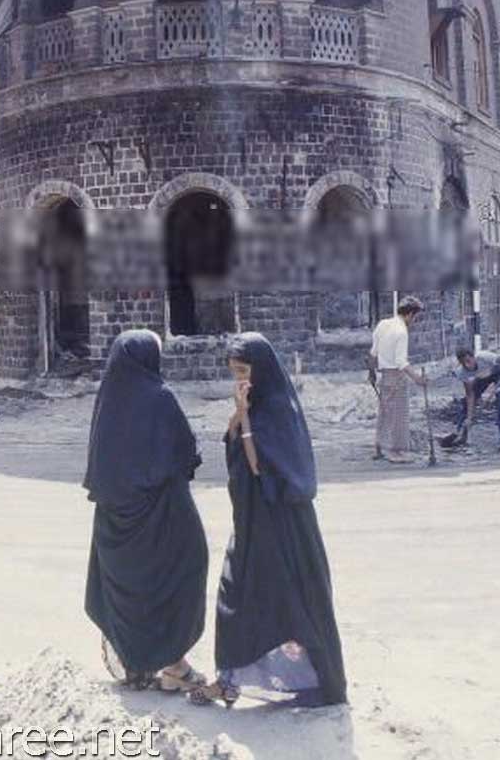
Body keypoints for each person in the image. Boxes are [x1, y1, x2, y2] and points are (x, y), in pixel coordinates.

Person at [190, 332, 347, 709]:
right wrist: (239, 413)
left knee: (287, 602)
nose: (239, 379)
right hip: (252, 522)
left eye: (244, 371)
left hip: (282, 527)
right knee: (236, 595)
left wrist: (244, 415)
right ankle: (229, 679)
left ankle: (309, 680)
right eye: (234, 372)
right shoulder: (256, 403)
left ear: (261, 369)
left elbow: (261, 466)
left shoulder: (277, 407)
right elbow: (232, 441)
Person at [83, 329, 209, 692]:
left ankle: (137, 666)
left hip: (115, 520)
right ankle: (175, 667)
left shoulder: (107, 402)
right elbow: (184, 452)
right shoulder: (159, 398)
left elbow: (102, 467)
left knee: (132, 591)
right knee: (181, 574)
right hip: (164, 513)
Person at [368, 296, 427, 464]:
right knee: (398, 415)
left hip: (384, 376)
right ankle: (396, 452)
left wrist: (371, 372)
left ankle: (380, 447)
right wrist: (418, 378)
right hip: (397, 376)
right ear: (410, 314)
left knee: (385, 412)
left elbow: (372, 353)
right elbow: (401, 362)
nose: (414, 321)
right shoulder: (401, 332)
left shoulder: (383, 324)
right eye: (415, 317)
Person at [449, 346, 500, 452]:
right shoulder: (462, 372)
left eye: (468, 361)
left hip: (498, 374)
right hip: (481, 378)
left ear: (473, 357)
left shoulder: (484, 356)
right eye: (463, 363)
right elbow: (470, 395)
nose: (466, 365)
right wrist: (470, 417)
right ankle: (459, 433)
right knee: (465, 403)